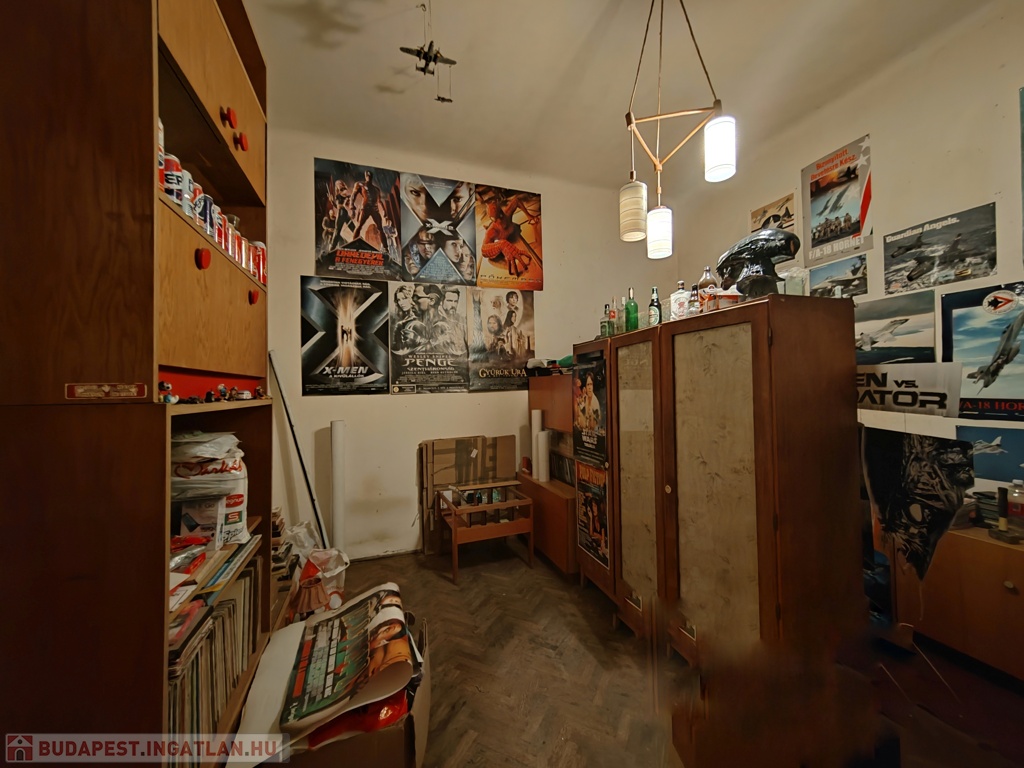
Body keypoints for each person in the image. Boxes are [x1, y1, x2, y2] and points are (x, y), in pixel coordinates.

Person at [351, 170, 385, 245]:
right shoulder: (360, 184)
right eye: (367, 175)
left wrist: (384, 211)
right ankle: (353, 244)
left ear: (372, 177)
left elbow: (379, 201)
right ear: (365, 176)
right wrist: (352, 206)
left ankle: (386, 247)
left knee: (380, 228)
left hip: (375, 209)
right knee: (359, 226)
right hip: (365, 208)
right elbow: (353, 195)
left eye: (370, 176)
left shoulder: (376, 189)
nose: (368, 177)